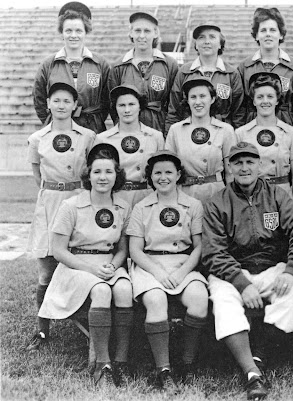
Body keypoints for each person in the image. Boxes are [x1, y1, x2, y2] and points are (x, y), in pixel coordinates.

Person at [202, 142, 293, 400]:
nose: (244, 168)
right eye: (238, 163)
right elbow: (213, 252)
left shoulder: (277, 195)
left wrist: (291, 270)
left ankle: (258, 355)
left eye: (250, 162)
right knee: (223, 302)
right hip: (232, 270)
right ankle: (252, 374)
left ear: (260, 165)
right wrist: (242, 284)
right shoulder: (217, 201)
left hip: (271, 267)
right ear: (229, 167)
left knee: (291, 294)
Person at [38, 143, 133, 387]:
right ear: (88, 175)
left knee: (124, 290)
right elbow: (58, 251)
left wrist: (113, 265)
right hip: (76, 266)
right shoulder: (71, 205)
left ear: (117, 175)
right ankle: (103, 364)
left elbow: (122, 248)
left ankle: (121, 359)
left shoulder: (123, 206)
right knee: (101, 290)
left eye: (109, 172)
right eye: (97, 172)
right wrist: (92, 270)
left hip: (108, 263)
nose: (103, 177)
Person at [127, 150, 209, 390]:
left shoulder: (193, 205)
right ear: (150, 177)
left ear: (178, 175)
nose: (163, 178)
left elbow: (199, 246)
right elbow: (135, 250)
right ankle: (163, 368)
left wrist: (183, 272)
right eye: (157, 173)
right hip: (150, 266)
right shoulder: (142, 207)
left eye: (168, 172)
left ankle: (187, 362)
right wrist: (158, 273)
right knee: (155, 299)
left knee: (199, 299)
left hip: (183, 265)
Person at [26, 82, 96, 352]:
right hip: (50, 203)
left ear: (75, 106)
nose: (62, 105)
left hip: (79, 200)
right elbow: (37, 175)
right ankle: (42, 331)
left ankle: (90, 323)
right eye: (57, 100)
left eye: (67, 101)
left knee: (81, 260)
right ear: (48, 104)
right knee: (46, 272)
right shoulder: (37, 139)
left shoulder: (88, 136)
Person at [33, 1, 110, 134]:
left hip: (92, 129)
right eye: (68, 30)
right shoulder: (48, 64)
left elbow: (107, 101)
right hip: (59, 130)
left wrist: (94, 120)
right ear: (61, 32)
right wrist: (54, 120)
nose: (73, 35)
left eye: (78, 30)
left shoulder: (100, 64)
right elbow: (39, 100)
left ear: (86, 32)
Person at [235, 72, 293, 202]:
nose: (265, 101)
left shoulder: (291, 133)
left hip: (283, 195)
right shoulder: (241, 133)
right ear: (253, 101)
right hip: (253, 196)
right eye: (260, 97)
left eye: (270, 96)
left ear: (277, 100)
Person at [166, 78, 235, 203]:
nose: (198, 102)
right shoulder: (176, 130)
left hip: (216, 194)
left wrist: (231, 201)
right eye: (193, 97)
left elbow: (231, 172)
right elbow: (168, 169)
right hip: (185, 195)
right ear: (187, 101)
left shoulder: (225, 130)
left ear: (212, 99)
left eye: (203, 96)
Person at [165, 22, 244, 131]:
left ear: (221, 43)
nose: (207, 41)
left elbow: (238, 113)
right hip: (190, 132)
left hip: (222, 133)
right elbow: (174, 110)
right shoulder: (184, 72)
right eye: (201, 37)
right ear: (196, 44)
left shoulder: (232, 74)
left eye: (212, 37)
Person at [109, 11, 178, 135]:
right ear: (130, 33)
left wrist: (168, 132)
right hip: (129, 130)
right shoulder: (118, 66)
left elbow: (174, 104)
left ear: (155, 33)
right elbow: (113, 105)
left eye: (147, 31)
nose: (142, 36)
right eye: (137, 31)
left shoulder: (169, 64)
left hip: (160, 127)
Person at [95, 84, 164, 207]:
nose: (127, 110)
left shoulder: (155, 136)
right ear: (115, 108)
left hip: (146, 199)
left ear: (140, 107)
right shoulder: (103, 139)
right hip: (115, 199)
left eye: (131, 104)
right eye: (121, 105)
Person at [238, 7, 293, 126]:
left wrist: (286, 117)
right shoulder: (244, 67)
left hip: (284, 126)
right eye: (263, 30)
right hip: (252, 125)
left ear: (281, 34)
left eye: (273, 30)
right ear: (256, 35)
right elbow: (240, 104)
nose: (268, 34)